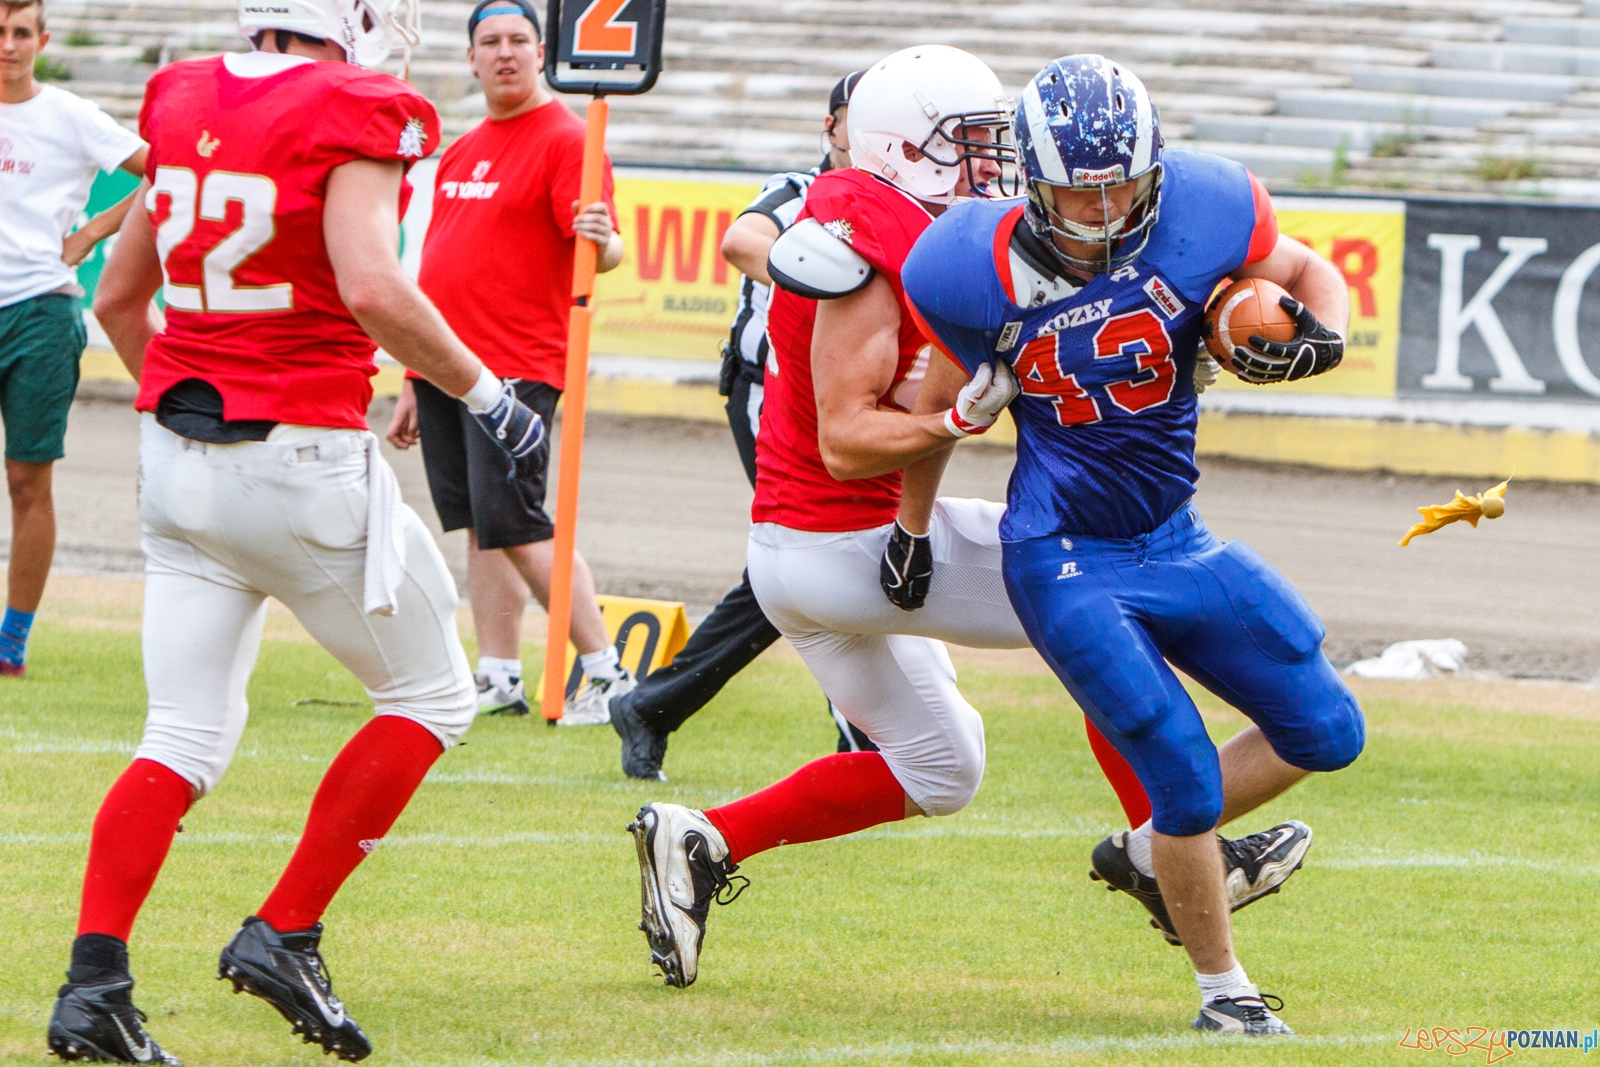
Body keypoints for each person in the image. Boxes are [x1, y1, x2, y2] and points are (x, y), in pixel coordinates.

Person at [626, 46, 1311, 992]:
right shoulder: (873, 235)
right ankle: (1171, 849)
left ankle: (704, 839)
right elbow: (846, 439)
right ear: (906, 146)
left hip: (806, 554)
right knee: (1095, 586)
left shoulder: (887, 220)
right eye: (973, 142)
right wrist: (956, 419)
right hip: (841, 537)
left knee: (941, 767)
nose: (992, 163)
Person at [45, 0, 550, 1060]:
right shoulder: (357, 102)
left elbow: (122, 298)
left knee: (178, 735)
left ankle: (94, 984)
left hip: (175, 461)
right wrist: (490, 397)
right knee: (432, 692)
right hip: (304, 457)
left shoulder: (179, 95)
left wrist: (198, 412)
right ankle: (285, 928)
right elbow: (372, 285)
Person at [901, 55, 1365, 1035]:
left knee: (1328, 730)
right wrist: (911, 519)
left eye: (1122, 181)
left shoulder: (1211, 204)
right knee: (1182, 772)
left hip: (1176, 534)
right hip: (1062, 550)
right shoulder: (957, 266)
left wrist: (1330, 331)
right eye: (1080, 187)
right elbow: (936, 398)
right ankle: (1224, 993)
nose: (1105, 207)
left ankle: (1147, 849)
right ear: (1030, 180)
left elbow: (1302, 271)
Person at [607, 71, 876, 782]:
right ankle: (865, 736)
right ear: (833, 129)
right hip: (774, 396)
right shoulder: (799, 190)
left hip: (848, 406)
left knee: (815, 562)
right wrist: (834, 276)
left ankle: (655, 705)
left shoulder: (898, 206)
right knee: (816, 557)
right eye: (862, 115)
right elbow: (741, 239)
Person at [385, 0, 627, 724]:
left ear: (542, 50)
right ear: (470, 57)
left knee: (517, 523)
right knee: (480, 525)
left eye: (519, 40)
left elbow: (603, 250)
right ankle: (497, 674)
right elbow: (435, 269)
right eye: (489, 41)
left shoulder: (564, 140)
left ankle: (606, 671)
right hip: (445, 365)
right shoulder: (459, 149)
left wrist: (604, 239)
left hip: (515, 370)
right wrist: (410, 372)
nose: (504, 53)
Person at [0, 0, 146, 676]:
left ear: (42, 40)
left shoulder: (69, 115)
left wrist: (91, 230)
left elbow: (162, 169)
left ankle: (12, 641)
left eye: (19, 32)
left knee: (28, 482)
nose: (7, 45)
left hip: (39, 311)